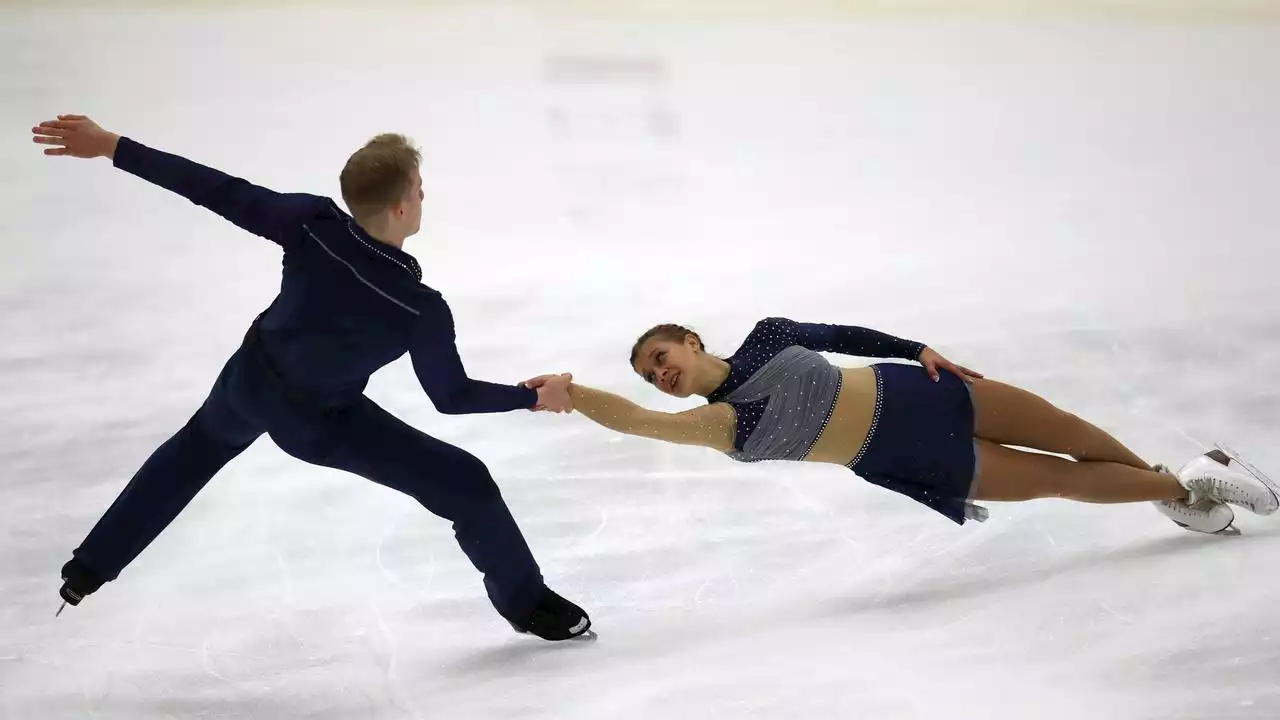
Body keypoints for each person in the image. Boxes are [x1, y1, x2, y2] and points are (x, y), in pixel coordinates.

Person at [31, 114, 593, 641]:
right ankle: (527, 603)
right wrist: (530, 398)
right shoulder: (418, 307)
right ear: (399, 209)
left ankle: (87, 568)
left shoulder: (312, 223)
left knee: (191, 453)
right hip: (320, 422)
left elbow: (217, 190)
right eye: (418, 188)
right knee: (467, 484)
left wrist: (112, 146)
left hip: (249, 381)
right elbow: (451, 397)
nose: (424, 196)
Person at [530, 317, 1277, 536]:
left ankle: (1170, 486)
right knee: (1063, 481)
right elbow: (636, 423)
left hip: (924, 395)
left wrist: (914, 349)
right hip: (909, 456)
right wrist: (575, 394)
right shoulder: (722, 426)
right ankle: (1185, 481)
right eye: (649, 374)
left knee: (1070, 432)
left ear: (690, 341)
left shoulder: (765, 335)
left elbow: (841, 332)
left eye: (660, 356)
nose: (659, 375)